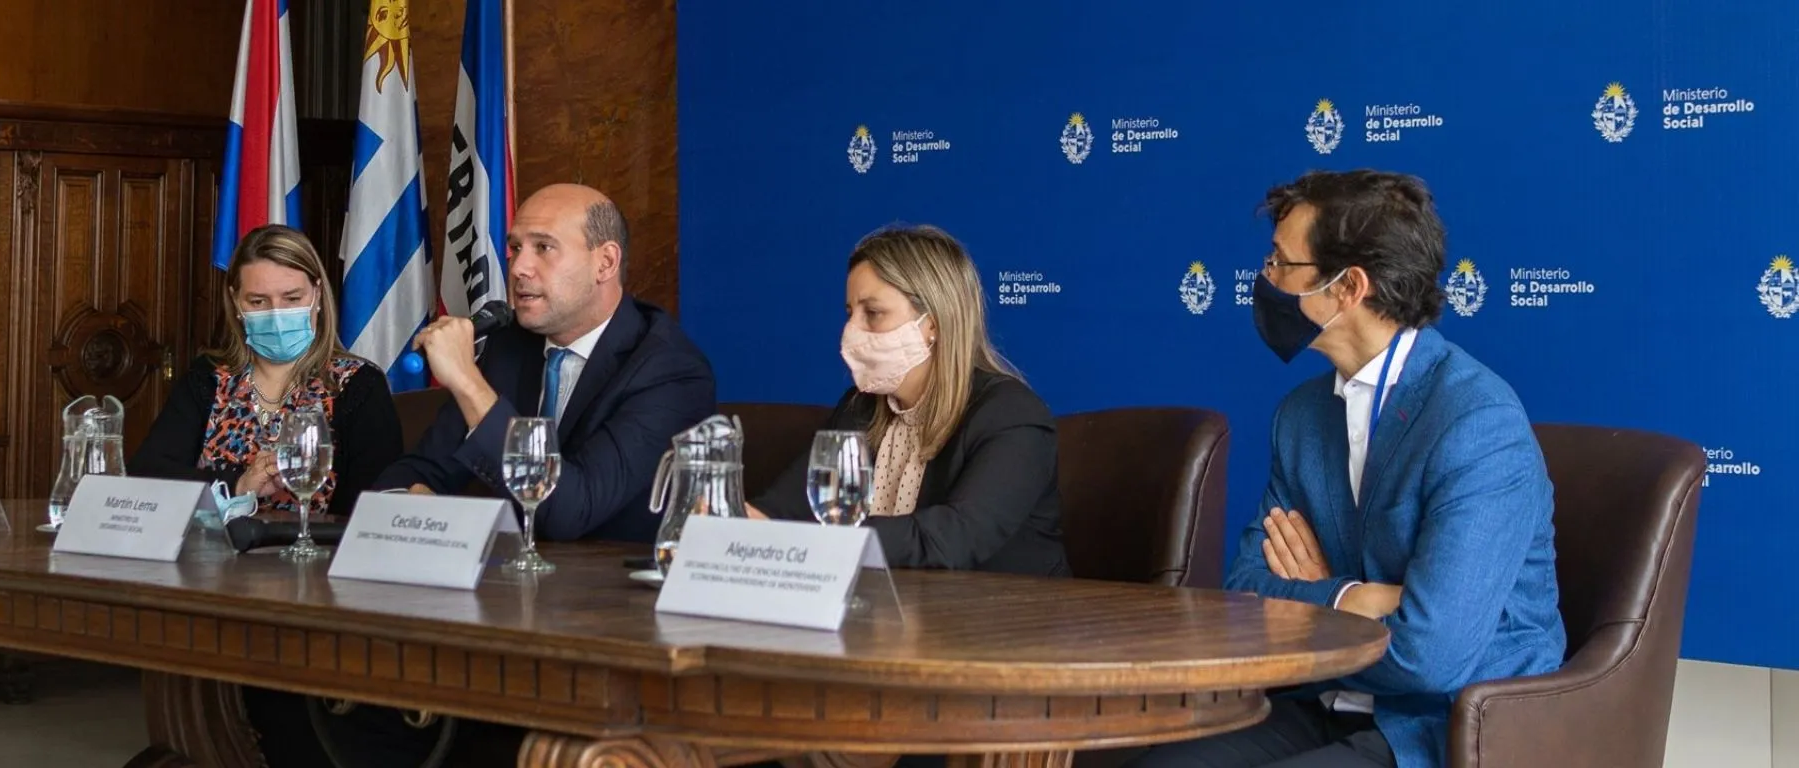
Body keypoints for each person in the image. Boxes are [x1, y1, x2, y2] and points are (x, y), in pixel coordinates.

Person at [1131, 170, 1563, 768]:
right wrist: (1359, 597)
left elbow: (1432, 655)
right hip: (1322, 704)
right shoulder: (1301, 415)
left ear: (1347, 286)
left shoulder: (1477, 424)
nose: (1266, 279)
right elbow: (1246, 593)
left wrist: (1314, 600)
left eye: (1283, 263)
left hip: (1443, 725)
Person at [371, 183, 716, 544]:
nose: (519, 267)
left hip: (609, 592)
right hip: (504, 582)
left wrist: (467, 381)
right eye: (515, 248)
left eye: (544, 247)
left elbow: (568, 512)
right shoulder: (509, 347)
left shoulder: (669, 371)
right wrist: (409, 506)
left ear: (605, 262)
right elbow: (422, 469)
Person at [746, 224, 1068, 577]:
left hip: (1010, 621)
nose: (850, 331)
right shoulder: (859, 407)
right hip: (893, 615)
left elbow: (953, 540)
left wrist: (814, 540)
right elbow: (782, 511)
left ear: (932, 324)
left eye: (873, 313)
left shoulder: (1011, 415)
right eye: (849, 312)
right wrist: (734, 524)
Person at [132, 224, 403, 520]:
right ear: (236, 301)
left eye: (292, 299)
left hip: (316, 559)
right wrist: (238, 485)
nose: (276, 315)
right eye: (258, 301)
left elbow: (373, 510)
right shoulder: (208, 377)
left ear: (318, 294)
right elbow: (147, 476)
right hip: (211, 557)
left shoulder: (358, 385)